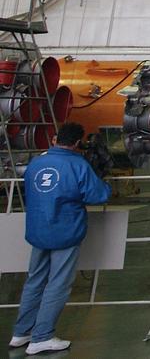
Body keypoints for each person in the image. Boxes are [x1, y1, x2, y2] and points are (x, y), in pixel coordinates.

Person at [10, 122, 111, 356]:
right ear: (77, 143)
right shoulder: (77, 165)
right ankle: (42, 336)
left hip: (38, 230)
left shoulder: (37, 162)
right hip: (64, 231)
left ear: (55, 139)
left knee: (35, 281)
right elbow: (98, 195)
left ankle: (21, 332)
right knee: (58, 283)